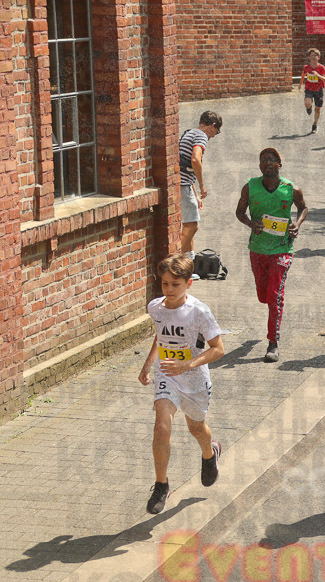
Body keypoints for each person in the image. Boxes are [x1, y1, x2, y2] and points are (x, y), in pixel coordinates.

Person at [139, 254, 225, 514]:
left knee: (197, 429)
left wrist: (187, 365)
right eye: (164, 284)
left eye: (175, 284)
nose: (168, 290)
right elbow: (160, 335)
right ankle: (161, 484)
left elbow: (218, 349)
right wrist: (147, 363)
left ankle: (210, 453)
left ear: (189, 283)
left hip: (195, 379)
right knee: (162, 425)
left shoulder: (199, 311)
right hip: (167, 375)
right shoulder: (156, 307)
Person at [234, 147, 309, 362]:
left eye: (272, 160)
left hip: (282, 248)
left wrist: (297, 224)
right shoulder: (250, 187)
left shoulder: (291, 189)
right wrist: (251, 223)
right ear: (259, 166)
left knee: (275, 296)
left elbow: (304, 208)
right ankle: (270, 324)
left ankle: (273, 343)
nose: (267, 163)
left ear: (279, 164)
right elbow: (239, 211)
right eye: (263, 160)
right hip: (258, 249)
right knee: (263, 296)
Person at [178, 111, 222, 257]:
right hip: (183, 185)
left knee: (187, 225)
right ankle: (173, 259)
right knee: (192, 226)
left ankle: (188, 265)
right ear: (212, 126)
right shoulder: (201, 135)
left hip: (184, 183)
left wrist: (196, 195)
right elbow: (195, 160)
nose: (211, 137)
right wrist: (202, 185)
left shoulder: (189, 133)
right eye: (214, 133)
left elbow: (186, 168)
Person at [301, 48, 325, 134]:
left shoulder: (321, 67)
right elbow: (303, 75)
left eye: (315, 56)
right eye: (311, 56)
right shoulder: (306, 67)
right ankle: (309, 108)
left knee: (317, 109)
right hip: (309, 88)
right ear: (309, 57)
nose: (313, 57)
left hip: (319, 90)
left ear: (319, 57)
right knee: (307, 102)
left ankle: (315, 124)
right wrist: (300, 84)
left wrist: (318, 75)